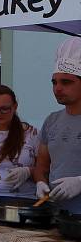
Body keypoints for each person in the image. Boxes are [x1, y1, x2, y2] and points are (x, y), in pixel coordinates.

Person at [35, 37, 81, 211]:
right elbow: (41, 166)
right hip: (58, 216)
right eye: (54, 82)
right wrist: (40, 182)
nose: (57, 89)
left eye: (66, 82)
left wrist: (79, 182)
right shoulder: (51, 121)